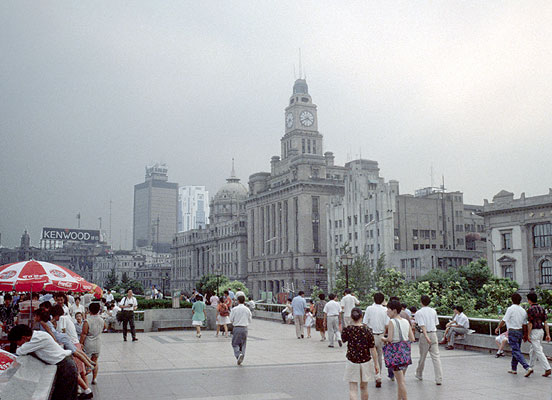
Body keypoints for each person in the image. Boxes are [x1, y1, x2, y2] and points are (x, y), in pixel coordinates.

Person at [9, 324, 78, 400]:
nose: (18, 345)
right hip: (64, 364)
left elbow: (20, 351)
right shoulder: (38, 335)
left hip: (65, 367)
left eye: (17, 342)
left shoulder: (37, 339)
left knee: (64, 396)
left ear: (24, 338)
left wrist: (19, 348)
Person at [51, 305, 94, 399]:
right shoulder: (67, 317)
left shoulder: (62, 318)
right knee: (81, 370)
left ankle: (86, 390)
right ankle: (86, 389)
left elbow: (61, 332)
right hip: (75, 343)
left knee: (76, 371)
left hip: (71, 344)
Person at [342, 307, 379, 400]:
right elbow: (373, 348)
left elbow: (343, 339)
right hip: (365, 360)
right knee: (364, 387)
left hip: (352, 360)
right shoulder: (368, 330)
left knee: (353, 388)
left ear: (351, 317)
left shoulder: (348, 329)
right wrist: (376, 364)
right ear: (361, 316)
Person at [382, 300, 415, 400]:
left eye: (388, 309)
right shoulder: (405, 321)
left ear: (394, 310)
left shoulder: (392, 322)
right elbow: (412, 338)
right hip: (405, 354)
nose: (387, 311)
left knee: (401, 382)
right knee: (401, 380)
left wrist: (383, 338)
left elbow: (390, 339)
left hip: (395, 355)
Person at [495, 292, 533, 376]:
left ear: (512, 300)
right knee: (516, 350)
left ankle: (527, 367)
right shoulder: (523, 310)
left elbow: (504, 320)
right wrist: (526, 335)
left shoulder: (510, 309)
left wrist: (498, 328)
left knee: (516, 351)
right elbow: (524, 324)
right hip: (520, 332)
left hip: (512, 331)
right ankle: (513, 368)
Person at [363, 292, 390, 388]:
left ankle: (372, 375)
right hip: (381, 335)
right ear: (383, 300)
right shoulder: (385, 310)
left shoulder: (369, 309)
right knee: (379, 356)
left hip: (371, 335)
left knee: (370, 356)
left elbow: (365, 323)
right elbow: (387, 324)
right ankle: (379, 376)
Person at [414, 295, 443, 385]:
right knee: (436, 357)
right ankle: (439, 379)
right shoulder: (433, 311)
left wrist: (426, 336)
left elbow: (421, 325)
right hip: (434, 334)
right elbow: (436, 323)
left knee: (422, 356)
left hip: (424, 335)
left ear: (421, 301)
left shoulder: (419, 312)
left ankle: (419, 374)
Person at [526, 292, 551, 377]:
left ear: (529, 300)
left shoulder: (530, 309)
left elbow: (530, 323)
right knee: (533, 350)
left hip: (534, 332)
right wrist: (548, 334)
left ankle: (547, 368)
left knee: (538, 350)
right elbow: (546, 323)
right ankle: (530, 367)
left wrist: (528, 335)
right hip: (541, 331)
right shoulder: (541, 308)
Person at [81, 302, 106, 386]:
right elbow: (105, 327)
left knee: (85, 362)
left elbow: (84, 333)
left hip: (89, 343)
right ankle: (94, 378)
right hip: (97, 343)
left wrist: (81, 343)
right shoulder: (101, 320)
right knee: (95, 361)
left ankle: (85, 381)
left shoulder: (87, 321)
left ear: (89, 310)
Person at [229, 294, 252, 365]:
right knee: (243, 344)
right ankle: (242, 355)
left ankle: (238, 355)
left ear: (238, 301)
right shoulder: (247, 309)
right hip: (245, 328)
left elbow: (231, 319)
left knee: (235, 343)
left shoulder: (234, 309)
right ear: (244, 301)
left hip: (237, 328)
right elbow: (250, 319)